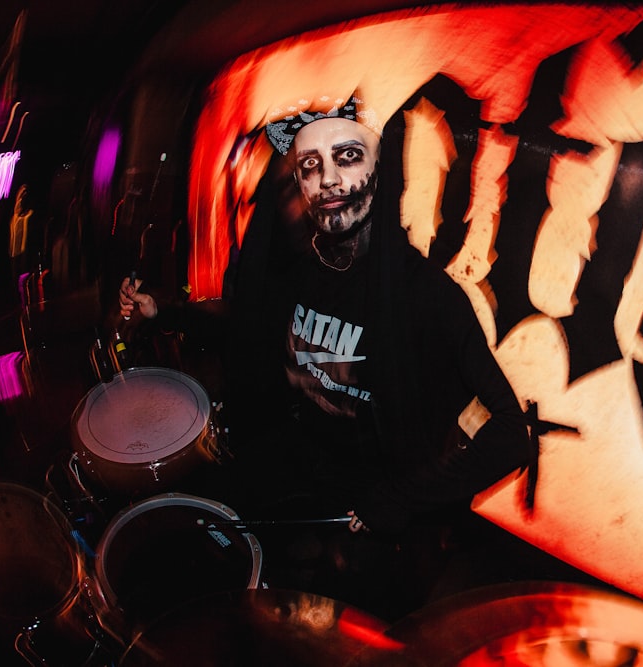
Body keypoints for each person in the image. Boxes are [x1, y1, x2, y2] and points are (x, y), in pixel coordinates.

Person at [118, 93, 533, 615]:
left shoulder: (429, 297)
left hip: (381, 499)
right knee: (191, 554)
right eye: (310, 166)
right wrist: (166, 312)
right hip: (302, 466)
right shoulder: (299, 274)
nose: (329, 180)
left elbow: (511, 433)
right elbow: (249, 331)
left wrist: (404, 498)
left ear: (379, 174)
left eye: (347, 157)